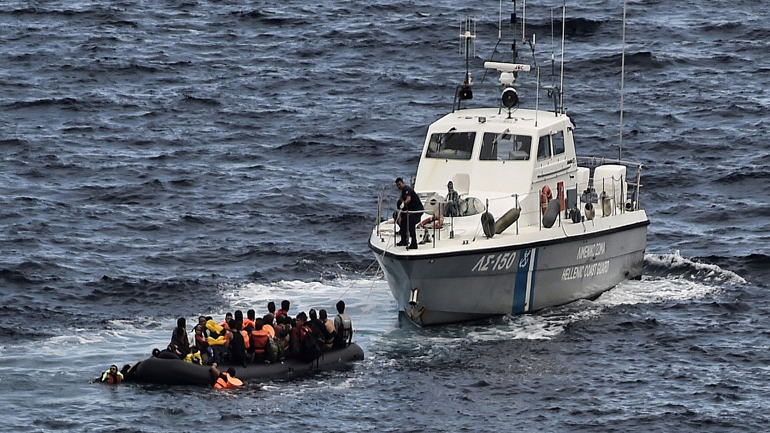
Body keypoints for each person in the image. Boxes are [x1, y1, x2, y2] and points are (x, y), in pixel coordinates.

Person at [395, 177, 424, 249]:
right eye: (397, 185)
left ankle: (414, 243)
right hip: (411, 211)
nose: (399, 186)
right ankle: (404, 240)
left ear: (402, 183)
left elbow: (408, 199)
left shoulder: (407, 189)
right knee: (404, 222)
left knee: (411, 223)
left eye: (399, 184)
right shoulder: (403, 192)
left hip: (417, 210)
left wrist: (403, 204)